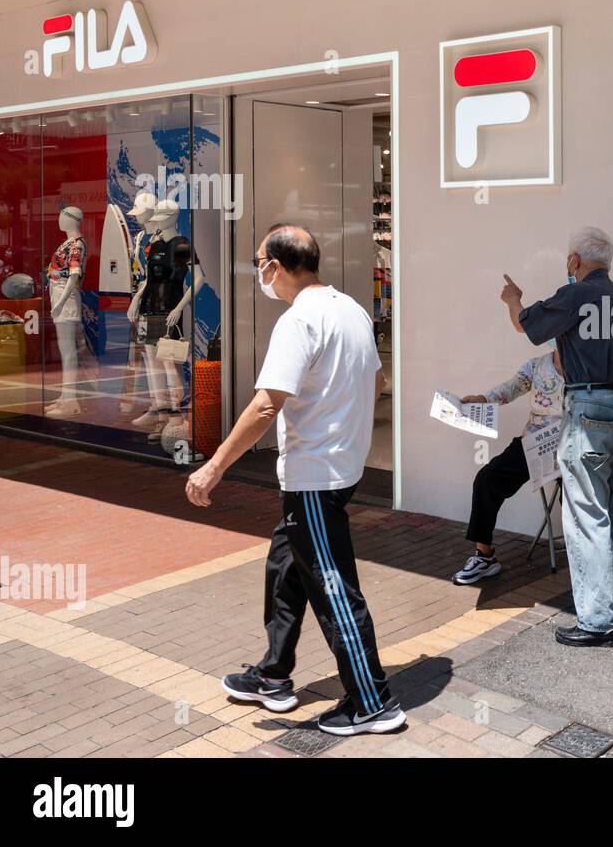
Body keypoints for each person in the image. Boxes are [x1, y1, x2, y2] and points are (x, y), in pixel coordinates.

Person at [186, 224, 403, 736]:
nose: (257, 270)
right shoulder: (349, 309)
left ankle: (373, 701)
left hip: (315, 477)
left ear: (274, 267)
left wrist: (214, 466)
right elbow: (377, 381)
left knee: (332, 587)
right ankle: (274, 675)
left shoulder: (299, 319)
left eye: (259, 260)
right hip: (337, 468)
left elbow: (266, 404)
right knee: (286, 568)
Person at [500, 227, 613, 647]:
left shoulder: (574, 296)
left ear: (575, 261)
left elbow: (525, 325)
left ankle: (597, 619)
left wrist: (513, 298)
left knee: (588, 516)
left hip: (590, 412)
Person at [455, 348, 565, 584]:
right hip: (535, 443)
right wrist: (482, 399)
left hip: (571, 447)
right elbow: (511, 387)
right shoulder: (537, 366)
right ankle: (484, 556)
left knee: (579, 498)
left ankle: (585, 559)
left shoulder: (589, 366)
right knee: (487, 479)